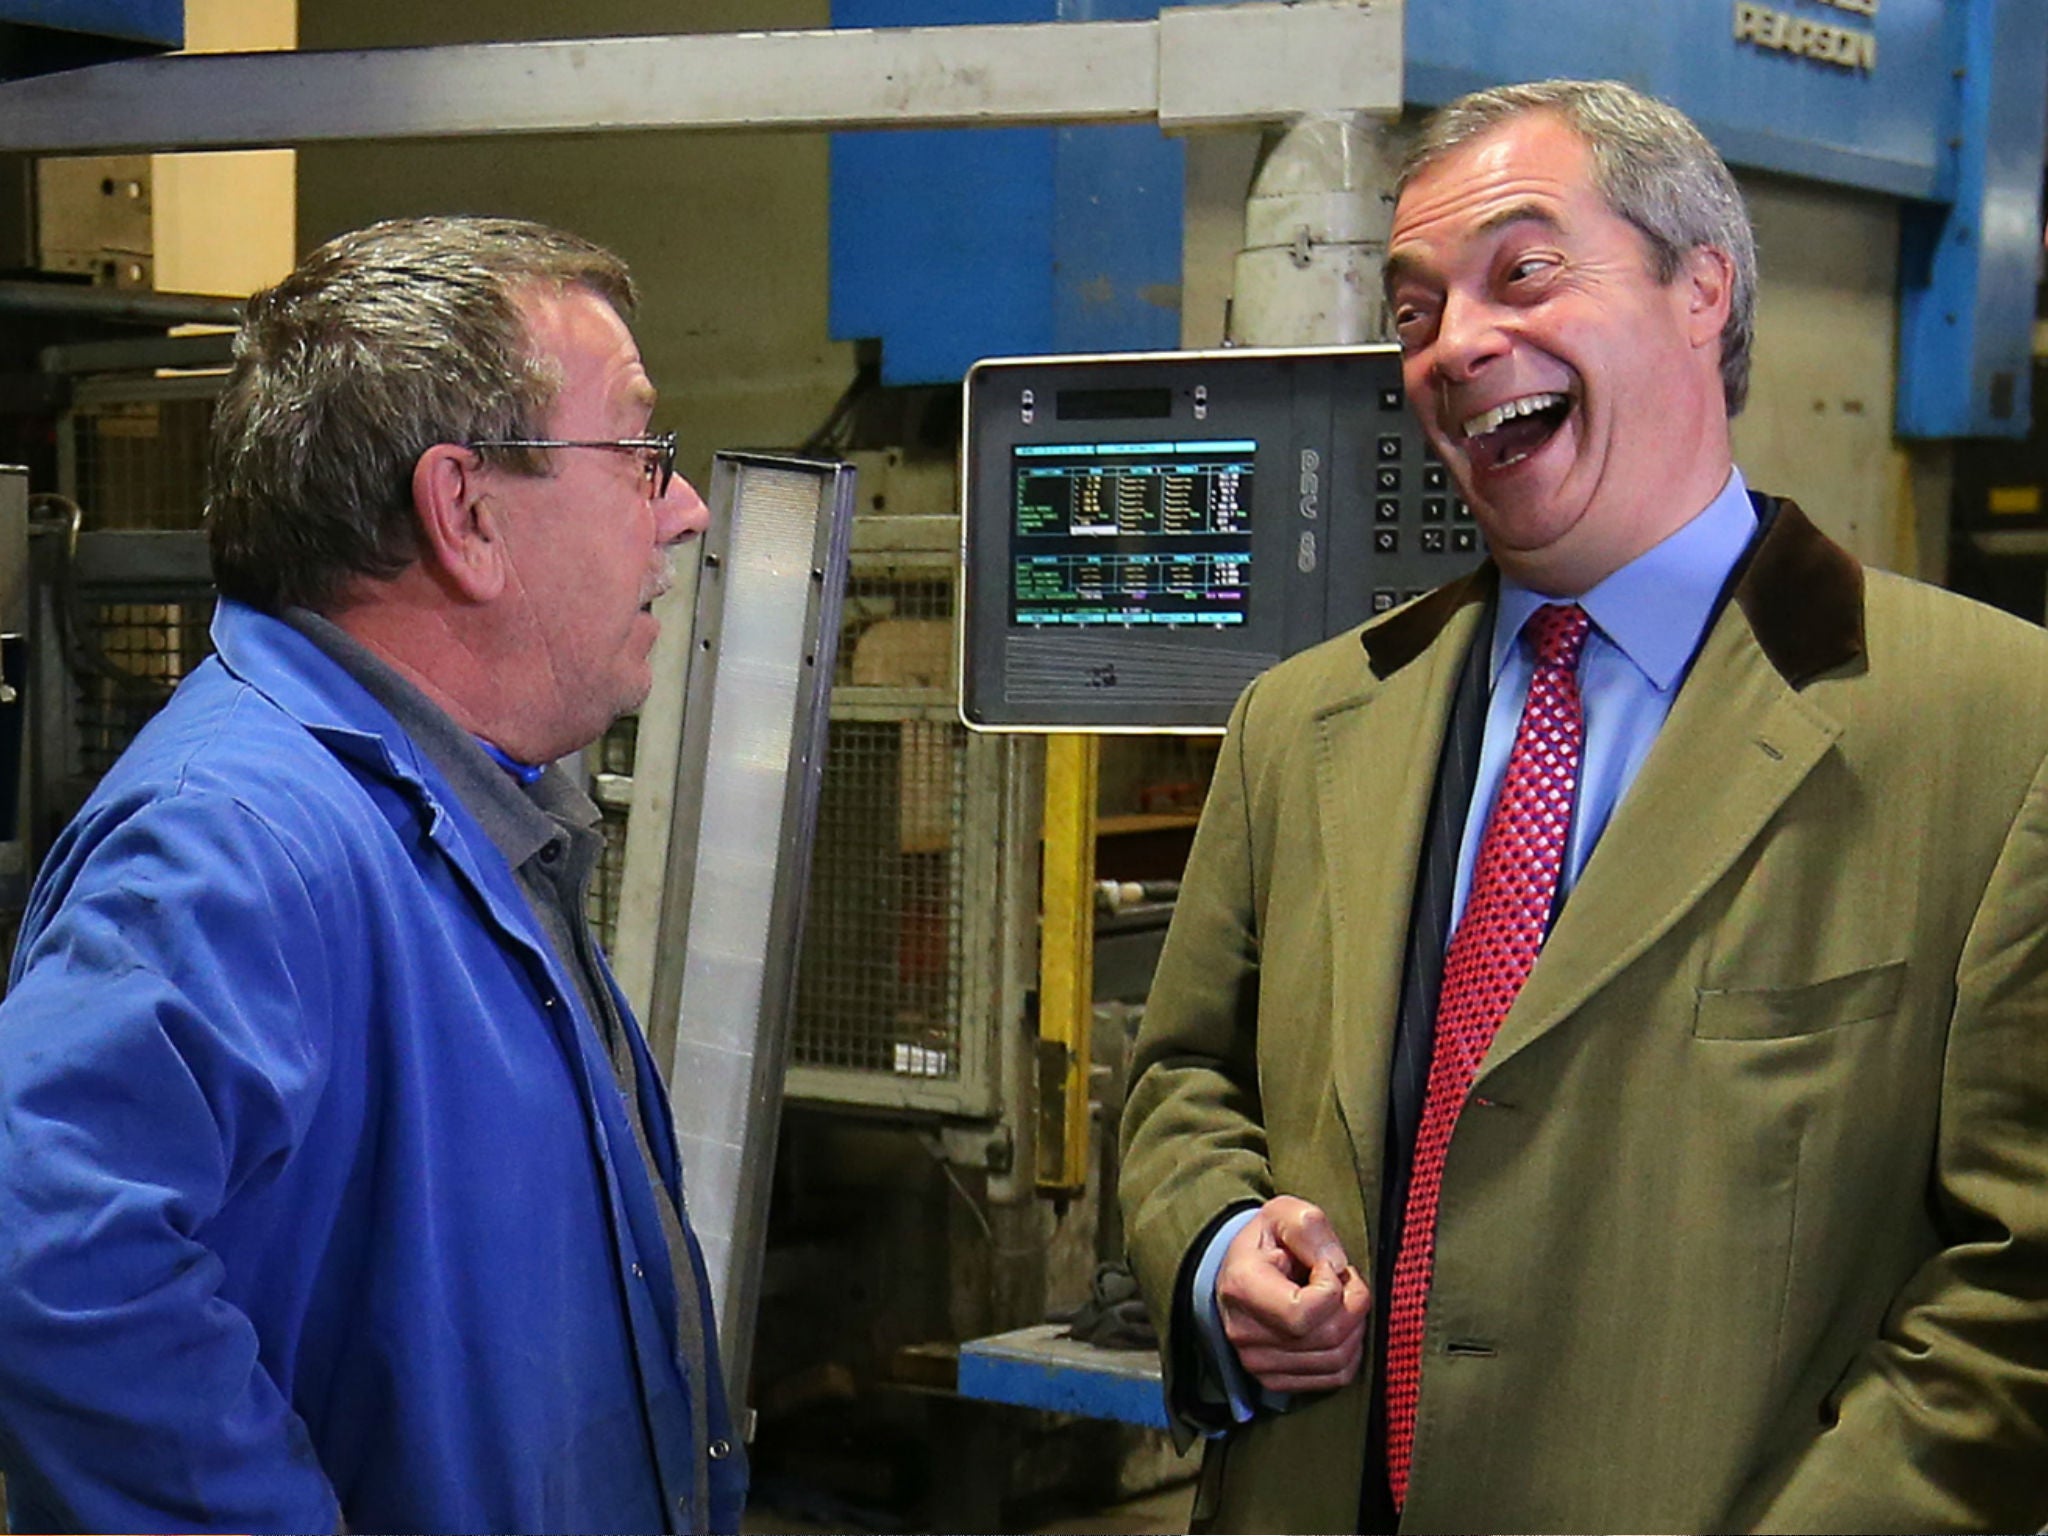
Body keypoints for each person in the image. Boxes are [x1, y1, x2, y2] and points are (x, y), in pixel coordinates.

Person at [1120, 78, 2048, 1534]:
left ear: (1701, 289)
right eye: (1416, 311)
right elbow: (1184, 1081)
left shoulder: (1991, 729)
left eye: (1524, 272)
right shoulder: (1301, 727)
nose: (1457, 345)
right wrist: (1218, 1243)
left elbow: (2022, 1281)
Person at [0, 216, 744, 1534]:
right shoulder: (240, 836)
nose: (682, 511)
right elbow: (43, 1260)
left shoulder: (469, 810)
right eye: (638, 452)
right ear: (465, 513)